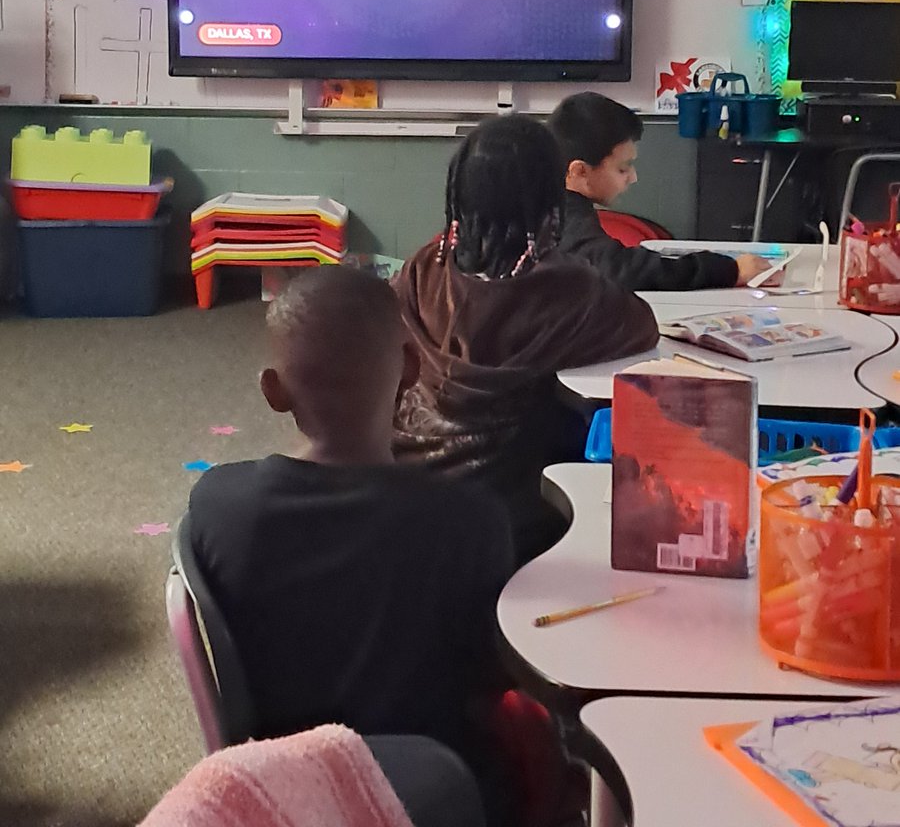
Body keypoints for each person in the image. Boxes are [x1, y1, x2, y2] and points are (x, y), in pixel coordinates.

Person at [188, 266, 516, 815]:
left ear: (273, 390)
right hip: (436, 794)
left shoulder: (220, 506)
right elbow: (490, 675)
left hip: (284, 789)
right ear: (412, 368)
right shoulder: (473, 520)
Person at [392, 114, 658, 562]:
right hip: (515, 500)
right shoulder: (568, 288)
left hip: (405, 483)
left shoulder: (422, 268)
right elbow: (640, 324)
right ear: (550, 197)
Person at [547, 91, 771, 291]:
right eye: (622, 168)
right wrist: (729, 271)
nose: (632, 177)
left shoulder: (552, 201)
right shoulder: (562, 214)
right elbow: (619, 269)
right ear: (579, 171)